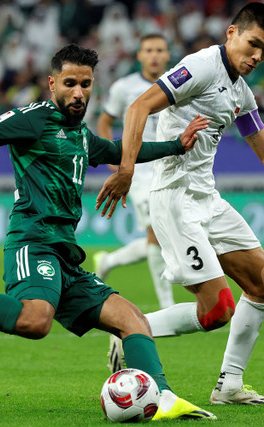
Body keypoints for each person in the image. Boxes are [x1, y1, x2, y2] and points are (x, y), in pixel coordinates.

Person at [0, 44, 215, 420]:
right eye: (70, 83)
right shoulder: (32, 120)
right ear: (52, 83)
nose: (78, 93)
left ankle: (164, 397)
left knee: (133, 320)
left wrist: (176, 145)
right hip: (32, 242)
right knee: (35, 321)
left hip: (64, 253)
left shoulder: (79, 134)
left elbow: (114, 149)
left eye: (86, 84)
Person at [96, 3, 264, 406]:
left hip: (207, 198)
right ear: (232, 33)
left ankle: (230, 386)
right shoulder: (202, 66)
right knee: (217, 310)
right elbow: (139, 107)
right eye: (253, 44)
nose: (257, 56)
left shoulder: (240, 91)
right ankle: (130, 330)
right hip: (176, 198)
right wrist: (126, 169)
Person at [94, 33, 174, 312]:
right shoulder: (124, 87)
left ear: (167, 55)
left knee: (165, 236)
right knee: (156, 234)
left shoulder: (179, 83)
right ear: (139, 55)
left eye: (159, 50)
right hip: (139, 174)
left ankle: (108, 262)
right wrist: (113, 159)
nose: (154, 55)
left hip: (169, 169)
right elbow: (104, 121)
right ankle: (166, 306)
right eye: (148, 50)